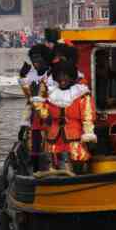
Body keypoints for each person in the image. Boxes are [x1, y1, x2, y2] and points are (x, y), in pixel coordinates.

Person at [34, 59, 96, 176]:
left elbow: (88, 117)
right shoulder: (50, 94)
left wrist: (89, 135)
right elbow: (41, 109)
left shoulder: (82, 95)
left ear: (72, 77)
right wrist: (43, 110)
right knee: (51, 166)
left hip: (75, 138)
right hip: (53, 138)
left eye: (65, 76)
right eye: (59, 76)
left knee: (76, 165)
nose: (62, 79)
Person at [18, 44, 54, 172]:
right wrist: (24, 123)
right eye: (33, 59)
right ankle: (36, 173)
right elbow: (30, 101)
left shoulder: (53, 75)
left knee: (50, 148)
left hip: (50, 118)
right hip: (35, 119)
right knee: (34, 148)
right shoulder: (32, 77)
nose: (35, 62)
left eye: (38, 59)